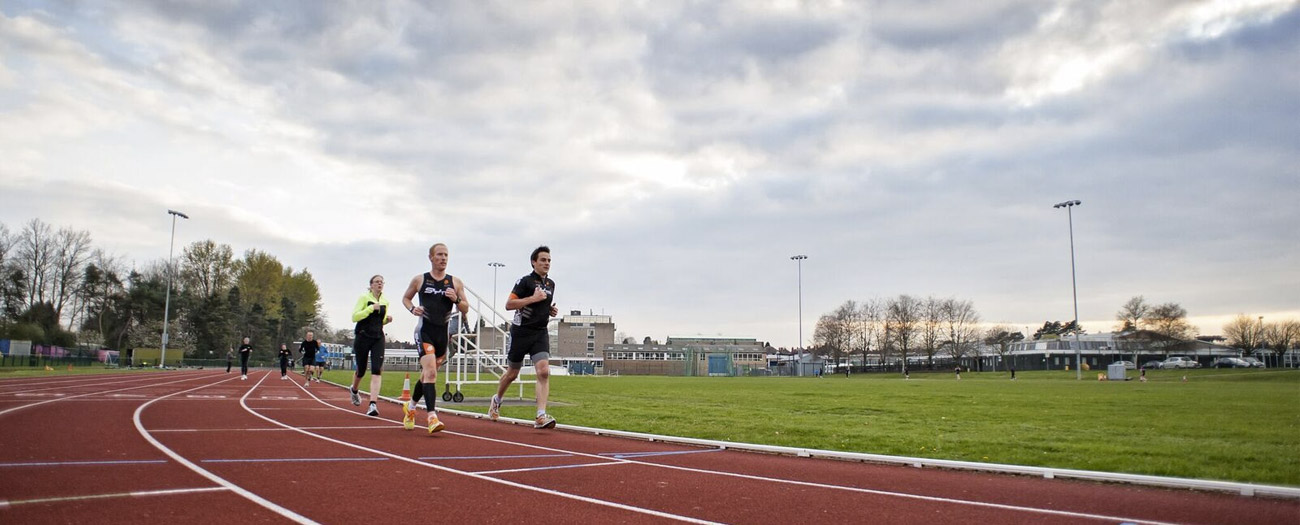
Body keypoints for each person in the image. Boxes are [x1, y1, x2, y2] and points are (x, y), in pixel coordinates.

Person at [400, 243, 469, 434]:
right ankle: (432, 417)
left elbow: (465, 308)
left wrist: (456, 299)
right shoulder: (420, 280)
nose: (443, 258)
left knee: (426, 376)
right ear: (431, 257)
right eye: (439, 255)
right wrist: (413, 308)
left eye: (446, 255)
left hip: (442, 336)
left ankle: (411, 407)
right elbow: (406, 298)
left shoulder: (455, 282)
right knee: (430, 373)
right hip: (424, 332)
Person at [488, 246, 559, 429]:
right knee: (512, 373)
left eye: (549, 260)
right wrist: (532, 299)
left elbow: (542, 305)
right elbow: (509, 304)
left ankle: (540, 416)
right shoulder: (525, 282)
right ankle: (497, 399)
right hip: (521, 333)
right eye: (543, 260)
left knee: (543, 371)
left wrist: (549, 310)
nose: (547, 263)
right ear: (534, 262)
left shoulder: (551, 284)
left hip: (540, 333)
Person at [350, 274, 393, 416]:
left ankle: (373, 404)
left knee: (376, 369)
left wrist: (387, 320)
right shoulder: (364, 298)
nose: (380, 284)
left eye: (382, 282)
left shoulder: (385, 301)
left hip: (378, 337)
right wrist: (370, 309)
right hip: (362, 336)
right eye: (377, 282)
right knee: (361, 370)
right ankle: (354, 390)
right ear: (371, 284)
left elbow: (380, 320)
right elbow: (354, 317)